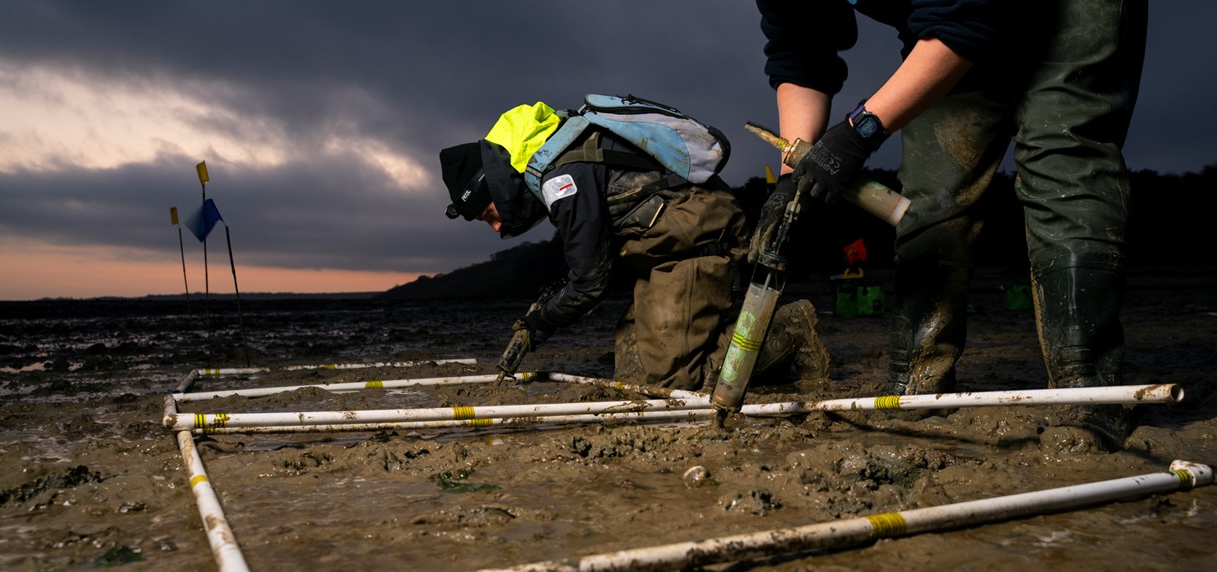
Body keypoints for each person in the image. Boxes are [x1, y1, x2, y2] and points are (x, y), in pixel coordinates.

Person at [756, 0, 1147, 448]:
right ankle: (918, 379)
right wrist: (793, 178)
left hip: (1067, 8)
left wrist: (857, 132)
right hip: (955, 17)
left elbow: (965, 19)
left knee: (1062, 160)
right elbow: (801, 52)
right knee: (934, 188)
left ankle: (1089, 389)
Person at [439, 98, 829, 392]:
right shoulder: (555, 156)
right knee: (632, 376)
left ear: (494, 186)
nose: (495, 227)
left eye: (488, 214)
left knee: (672, 382)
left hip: (697, 243)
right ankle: (758, 356)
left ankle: (788, 330)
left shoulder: (561, 177)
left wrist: (541, 322)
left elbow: (589, 281)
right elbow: (587, 254)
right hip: (666, 252)